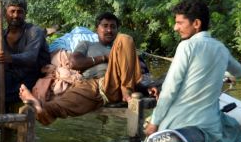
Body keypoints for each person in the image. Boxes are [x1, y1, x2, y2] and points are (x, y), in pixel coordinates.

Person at [138, 0, 241, 142]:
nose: (175, 28)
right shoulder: (220, 49)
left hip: (178, 122)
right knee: (237, 138)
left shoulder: (186, 47)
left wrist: (155, 122)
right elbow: (239, 71)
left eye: (180, 22)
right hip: (210, 125)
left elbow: (170, 89)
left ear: (196, 24)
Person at [18, 12, 154, 124]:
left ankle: (126, 91)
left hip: (117, 82)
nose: (109, 30)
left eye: (113, 27)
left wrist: (149, 87)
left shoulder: (121, 47)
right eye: (105, 26)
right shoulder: (87, 44)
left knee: (126, 39)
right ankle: (37, 106)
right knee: (61, 105)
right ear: (97, 29)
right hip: (93, 86)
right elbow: (74, 63)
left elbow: (139, 72)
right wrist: (105, 58)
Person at [0, 0, 50, 112]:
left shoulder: (34, 31)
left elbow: (31, 57)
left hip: (30, 77)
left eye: (20, 12)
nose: (16, 16)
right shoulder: (1, 35)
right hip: (11, 76)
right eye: (12, 11)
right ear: (5, 13)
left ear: (25, 14)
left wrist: (10, 58)